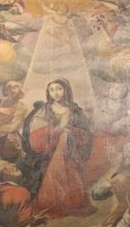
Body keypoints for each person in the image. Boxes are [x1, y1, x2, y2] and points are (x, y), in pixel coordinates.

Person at [20, 78, 94, 218]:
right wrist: (60, 128)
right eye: (52, 90)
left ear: (66, 90)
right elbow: (38, 136)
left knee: (66, 137)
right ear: (48, 92)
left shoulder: (75, 111)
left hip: (72, 149)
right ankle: (52, 201)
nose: (56, 93)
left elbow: (85, 133)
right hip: (48, 149)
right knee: (64, 137)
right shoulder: (44, 110)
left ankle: (73, 202)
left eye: (59, 89)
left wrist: (69, 132)